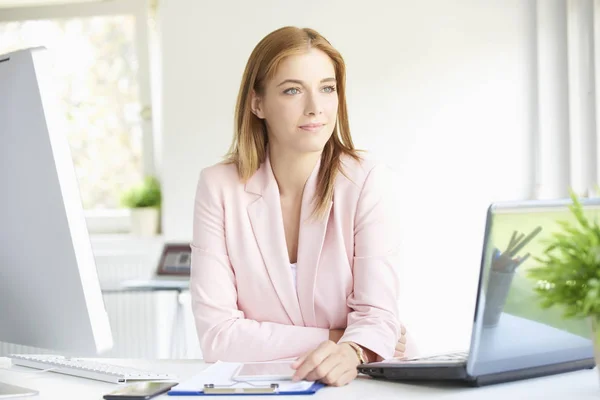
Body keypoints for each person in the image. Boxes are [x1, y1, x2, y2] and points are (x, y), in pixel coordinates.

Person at [190, 26, 415, 387]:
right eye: (293, 90)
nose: (315, 108)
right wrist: (343, 338)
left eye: (327, 88)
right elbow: (217, 337)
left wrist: (360, 345)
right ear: (257, 103)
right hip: (261, 387)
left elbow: (378, 318)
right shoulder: (219, 187)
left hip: (364, 385)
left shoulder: (367, 180)